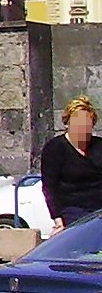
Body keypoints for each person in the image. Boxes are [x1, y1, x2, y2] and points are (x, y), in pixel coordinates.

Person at [41, 96, 102, 232]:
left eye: (87, 123)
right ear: (67, 123)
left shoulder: (99, 146)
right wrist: (57, 219)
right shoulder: (55, 148)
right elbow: (49, 188)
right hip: (73, 209)